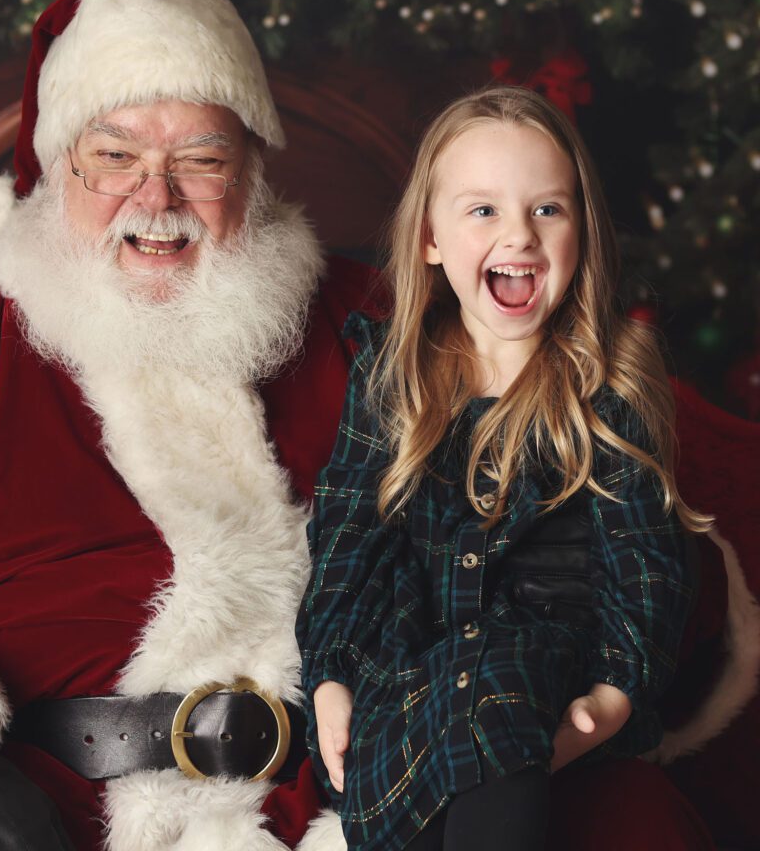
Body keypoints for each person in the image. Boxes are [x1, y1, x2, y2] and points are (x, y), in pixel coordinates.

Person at [0, 0, 739, 851]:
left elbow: (633, 447)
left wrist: (517, 691)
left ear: (252, 174)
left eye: (203, 160)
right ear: (52, 168)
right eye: (113, 156)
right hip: (30, 800)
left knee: (623, 820)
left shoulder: (391, 323)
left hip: (354, 791)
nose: (156, 197)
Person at [297, 86, 714, 851]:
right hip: (416, 671)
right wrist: (330, 678)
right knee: (419, 754)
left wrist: (616, 696)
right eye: (483, 210)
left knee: (498, 685)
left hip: (551, 676)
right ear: (430, 238)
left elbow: (647, 565)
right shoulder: (395, 376)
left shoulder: (610, 384)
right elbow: (350, 538)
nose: (519, 234)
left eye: (547, 209)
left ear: (581, 234)